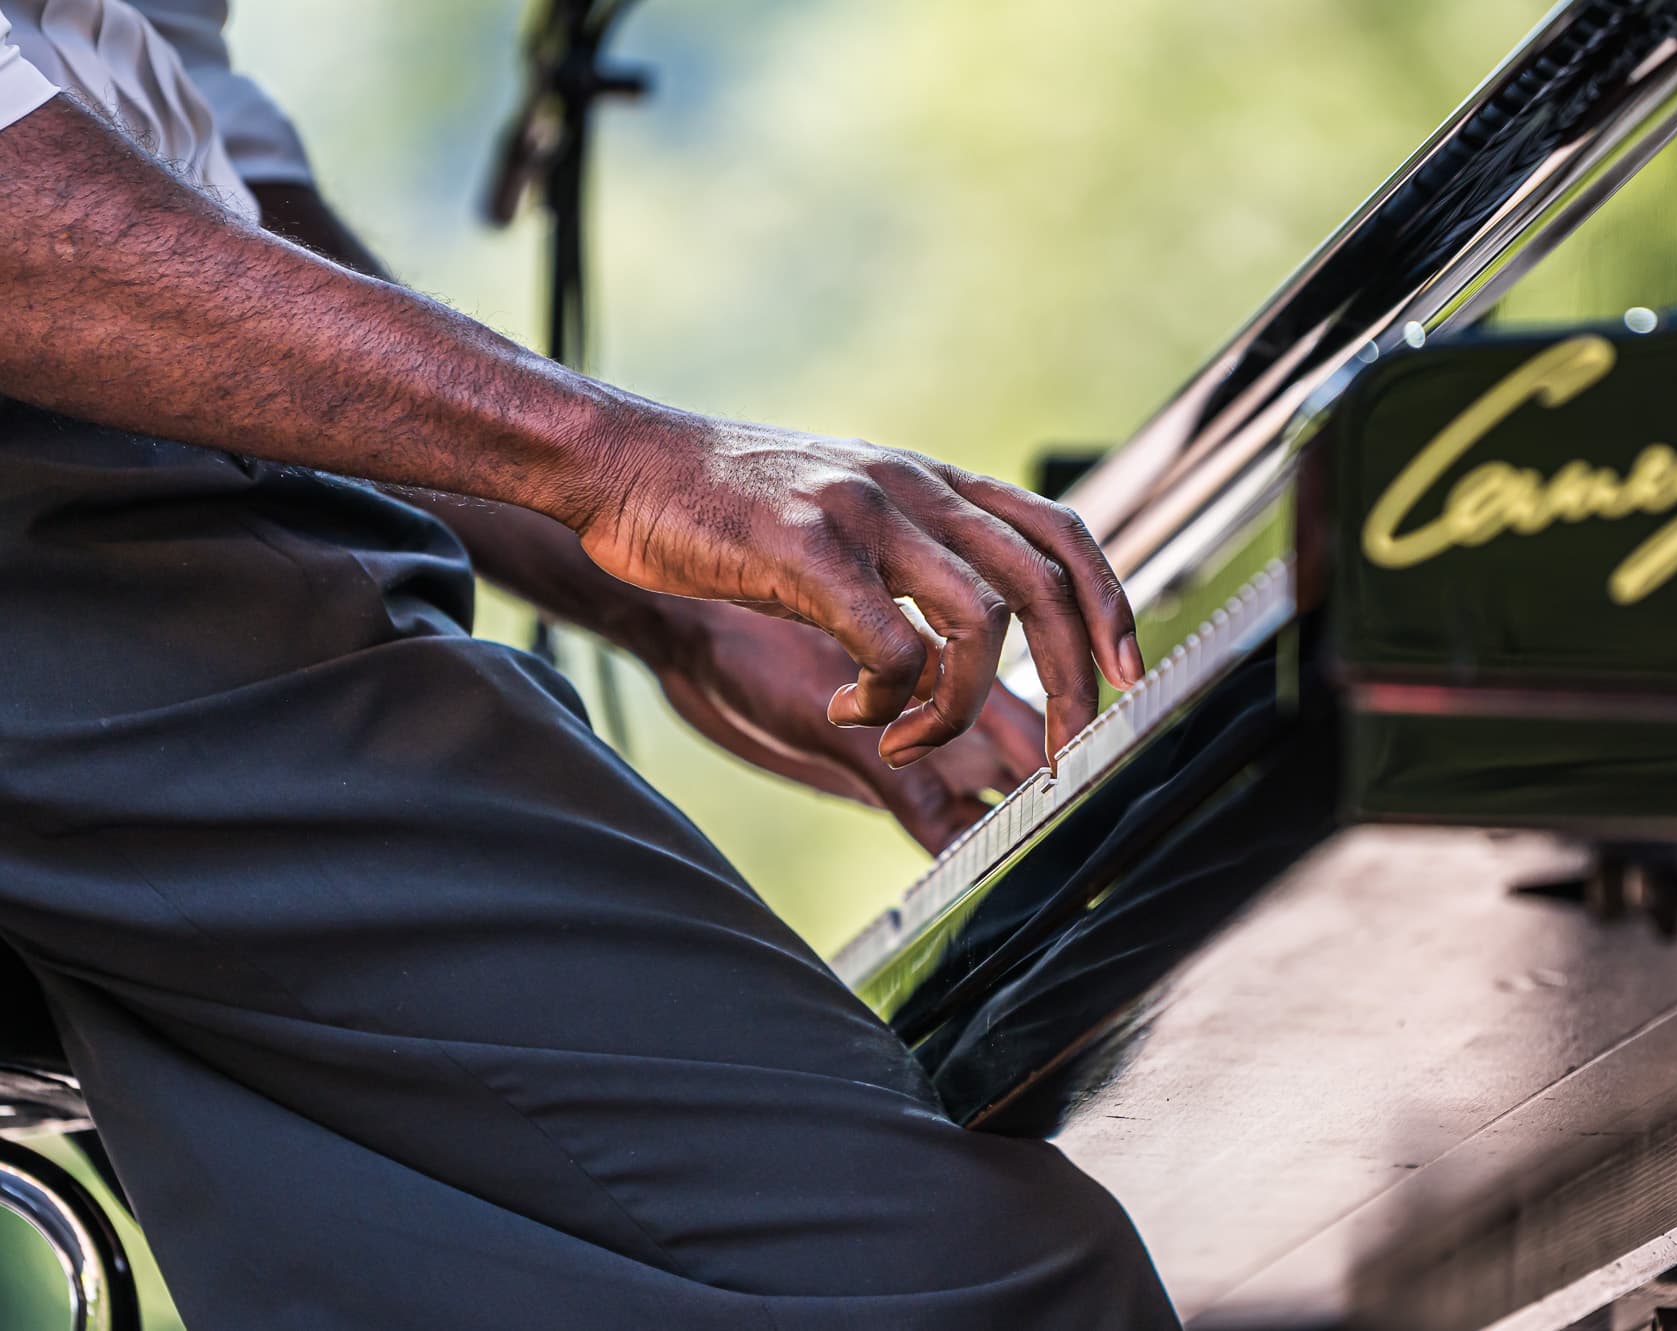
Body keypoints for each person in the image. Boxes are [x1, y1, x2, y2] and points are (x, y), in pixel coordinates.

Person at [0, 2, 1179, 1326]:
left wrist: (669, 600)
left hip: (124, 445)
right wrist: (620, 459)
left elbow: (193, 177)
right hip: (73, 535)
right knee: (975, 1284)